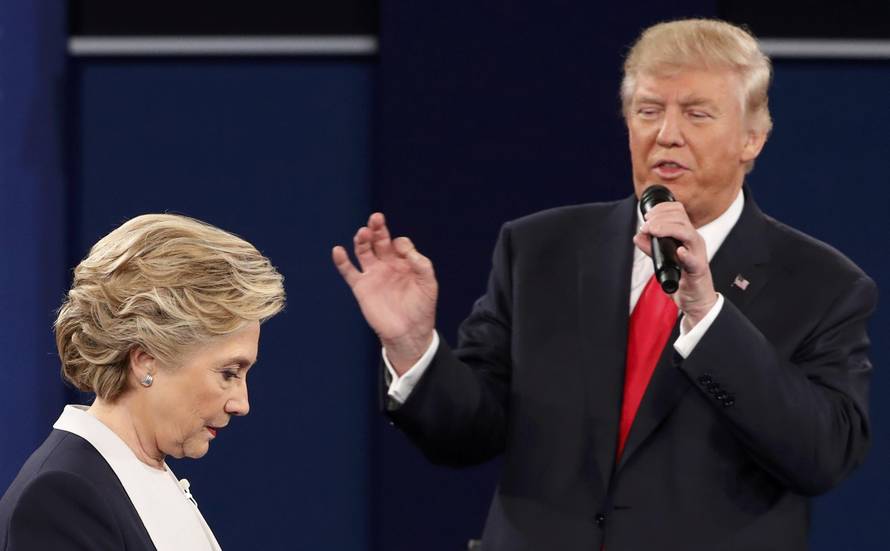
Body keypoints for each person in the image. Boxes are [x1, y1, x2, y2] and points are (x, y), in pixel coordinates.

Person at [332, 18, 877, 551]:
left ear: (752, 139)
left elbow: (820, 456)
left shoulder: (822, 284)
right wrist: (413, 345)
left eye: (697, 114)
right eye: (648, 111)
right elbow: (469, 433)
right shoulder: (541, 248)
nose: (667, 134)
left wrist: (708, 316)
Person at [0, 214, 285, 550]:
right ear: (145, 361)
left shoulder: (142, 475)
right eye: (229, 373)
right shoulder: (61, 496)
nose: (242, 404)